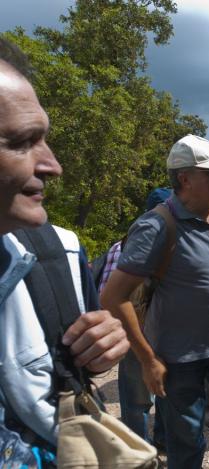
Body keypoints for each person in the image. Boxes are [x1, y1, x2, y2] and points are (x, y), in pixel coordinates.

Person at [0, 38, 129, 460]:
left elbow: (81, 361)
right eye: (22, 141)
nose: (53, 166)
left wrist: (100, 351)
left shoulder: (60, 252)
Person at [100, 134, 209, 469]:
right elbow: (113, 297)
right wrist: (147, 359)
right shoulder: (157, 226)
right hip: (178, 359)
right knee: (186, 445)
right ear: (185, 179)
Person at [96, 188, 170, 447]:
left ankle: (154, 443)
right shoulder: (135, 245)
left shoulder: (129, 244)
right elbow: (109, 295)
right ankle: (142, 448)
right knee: (141, 398)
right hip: (139, 332)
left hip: (152, 330)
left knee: (156, 393)